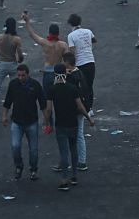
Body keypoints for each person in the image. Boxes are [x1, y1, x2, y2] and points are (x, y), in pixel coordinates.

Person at [45, 63, 94, 191]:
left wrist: (46, 122)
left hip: (60, 124)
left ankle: (64, 179)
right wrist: (89, 118)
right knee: (73, 150)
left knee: (63, 152)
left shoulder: (52, 89)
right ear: (65, 73)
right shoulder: (72, 88)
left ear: (55, 74)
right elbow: (80, 106)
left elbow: (49, 109)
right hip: (73, 123)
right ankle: (74, 176)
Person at [2, 64, 47, 180]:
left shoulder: (35, 85)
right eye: (19, 75)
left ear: (28, 74)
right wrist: (4, 116)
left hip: (31, 121)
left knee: (33, 149)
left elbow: (43, 104)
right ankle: (19, 166)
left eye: (23, 75)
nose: (20, 78)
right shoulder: (13, 84)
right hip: (17, 121)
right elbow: (7, 101)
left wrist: (46, 120)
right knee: (15, 146)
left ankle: (33, 169)